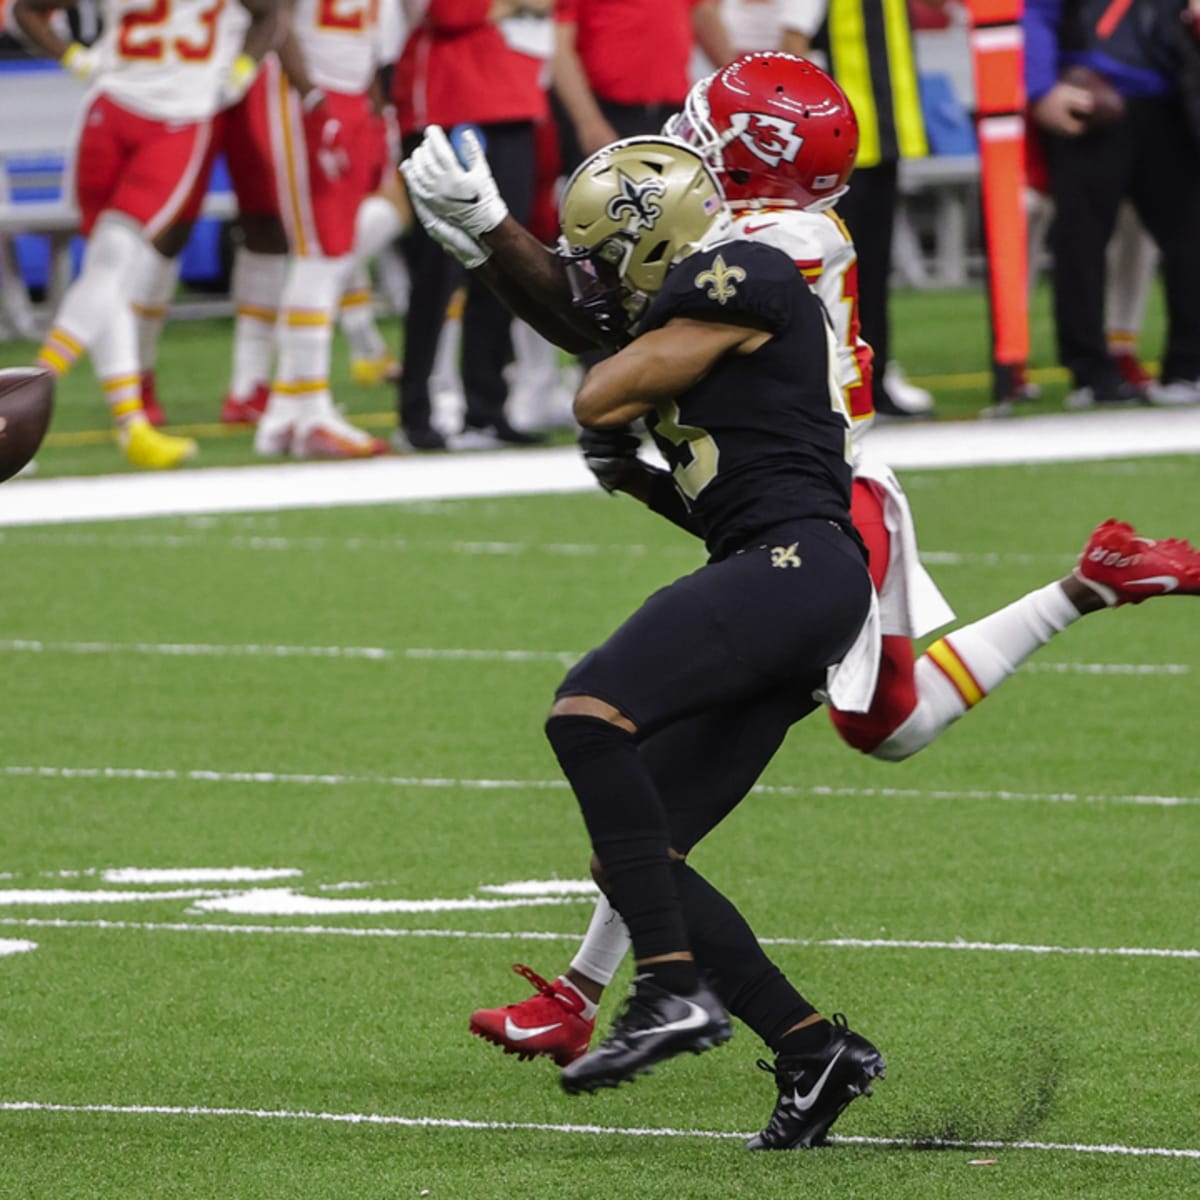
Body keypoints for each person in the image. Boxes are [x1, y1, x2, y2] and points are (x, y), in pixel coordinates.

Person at [401, 51, 1200, 1122]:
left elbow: (602, 341)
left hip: (823, 506)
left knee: (868, 728)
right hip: (787, 499)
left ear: (744, 153)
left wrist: (493, 235)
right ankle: (698, 1016)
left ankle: (631, 989)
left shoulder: (760, 253)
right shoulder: (770, 236)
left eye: (706, 126)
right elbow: (606, 314)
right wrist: (497, 241)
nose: (687, 137)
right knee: (650, 814)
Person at [407, 127, 888, 1144]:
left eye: (606, 257)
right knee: (639, 854)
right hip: (788, 571)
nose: (595, 280)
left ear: (653, 242)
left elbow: (599, 386)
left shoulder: (743, 268)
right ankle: (813, 1050)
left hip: (796, 570)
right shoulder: (717, 299)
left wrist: (604, 410)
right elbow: (725, 491)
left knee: (588, 714)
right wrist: (636, 475)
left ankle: (669, 988)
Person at [15, 0, 278, 468]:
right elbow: (26, 10)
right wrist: (76, 57)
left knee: (113, 261)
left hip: (179, 117)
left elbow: (270, 12)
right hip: (113, 105)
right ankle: (128, 423)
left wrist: (241, 67)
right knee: (108, 267)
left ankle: (29, 394)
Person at [1023, 0, 1200, 408]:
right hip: (1092, 100)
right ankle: (1090, 371)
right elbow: (1038, 13)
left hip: (1171, 98)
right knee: (1080, 244)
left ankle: (1187, 364)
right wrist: (1042, 90)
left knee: (1190, 238)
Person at [780, 0, 937, 418]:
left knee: (871, 270)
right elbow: (793, 46)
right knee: (834, 270)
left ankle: (874, 374)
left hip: (881, 137)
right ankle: (842, 382)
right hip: (835, 144)